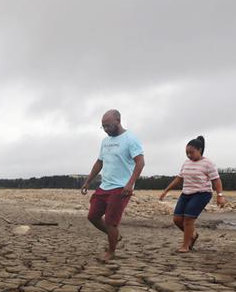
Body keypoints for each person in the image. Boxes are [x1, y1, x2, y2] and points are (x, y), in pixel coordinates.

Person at [80, 109, 145, 262]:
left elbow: (140, 162)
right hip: (105, 186)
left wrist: (130, 184)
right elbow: (99, 162)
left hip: (121, 187)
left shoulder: (130, 139)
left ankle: (111, 252)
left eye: (108, 126)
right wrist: (88, 181)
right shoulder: (105, 141)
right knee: (93, 216)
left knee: (110, 221)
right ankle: (115, 236)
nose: (106, 129)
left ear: (118, 121)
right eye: (103, 127)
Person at [159, 136, 226, 253]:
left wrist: (219, 195)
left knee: (188, 220)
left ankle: (185, 246)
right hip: (186, 193)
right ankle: (193, 235)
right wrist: (166, 191)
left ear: (199, 150)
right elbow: (179, 179)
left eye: (191, 152)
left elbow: (216, 180)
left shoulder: (208, 163)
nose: (189, 155)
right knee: (177, 219)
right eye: (187, 153)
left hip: (202, 194)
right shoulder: (186, 163)